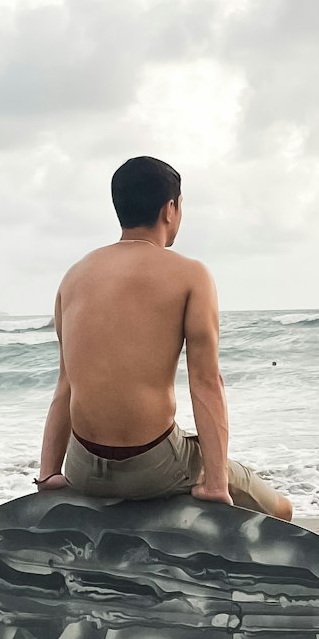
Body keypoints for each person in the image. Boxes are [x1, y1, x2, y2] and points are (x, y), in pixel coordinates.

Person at [36, 156, 292, 519]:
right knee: (280, 510)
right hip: (152, 466)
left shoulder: (74, 276)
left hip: (82, 468)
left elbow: (65, 385)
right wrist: (215, 484)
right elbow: (206, 383)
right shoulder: (190, 275)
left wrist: (49, 475)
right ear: (170, 209)